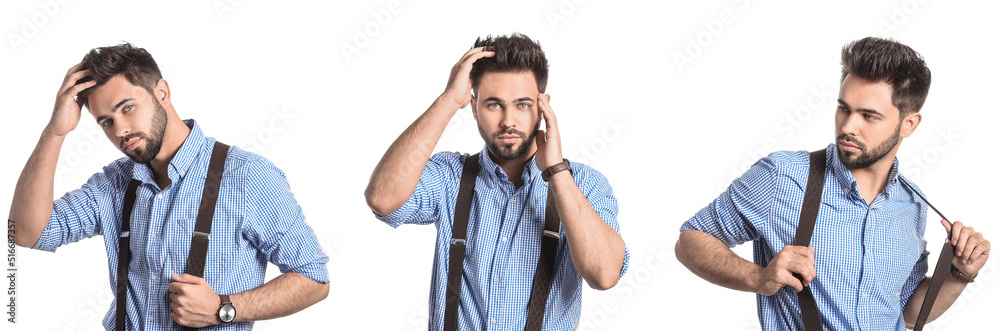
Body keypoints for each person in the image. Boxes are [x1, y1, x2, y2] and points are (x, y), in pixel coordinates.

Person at [675, 37, 991, 330]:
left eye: (869, 116)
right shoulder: (782, 176)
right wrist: (758, 277)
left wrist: (960, 273)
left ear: (908, 124)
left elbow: (908, 311)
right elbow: (691, 239)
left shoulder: (913, 204)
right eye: (844, 109)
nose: (848, 126)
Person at [8, 43, 330, 330]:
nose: (120, 129)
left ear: (161, 92)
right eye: (106, 121)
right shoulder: (114, 183)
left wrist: (223, 308)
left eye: (127, 107)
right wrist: (56, 131)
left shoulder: (247, 176)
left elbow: (313, 277)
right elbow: (25, 232)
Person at [364, 33, 628, 330]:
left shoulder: (584, 183)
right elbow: (382, 199)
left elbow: (605, 275)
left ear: (544, 106)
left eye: (522, 105)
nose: (508, 121)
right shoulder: (451, 175)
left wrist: (555, 171)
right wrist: (449, 100)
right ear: (474, 107)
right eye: (493, 105)